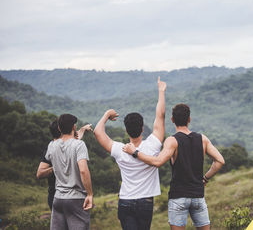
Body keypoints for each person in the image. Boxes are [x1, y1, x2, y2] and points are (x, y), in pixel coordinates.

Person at [123, 103, 225, 230]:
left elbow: (157, 162)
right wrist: (205, 178)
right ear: (189, 119)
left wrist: (135, 153)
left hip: (178, 197)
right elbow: (220, 161)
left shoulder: (172, 141)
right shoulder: (202, 139)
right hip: (198, 196)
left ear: (172, 120)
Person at [93, 77, 167, 230]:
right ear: (142, 129)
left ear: (126, 130)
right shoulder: (153, 145)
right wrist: (161, 91)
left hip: (125, 200)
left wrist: (107, 114)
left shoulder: (120, 150)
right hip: (145, 201)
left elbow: (98, 132)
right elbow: (161, 115)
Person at [45, 114, 93, 230]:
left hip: (58, 199)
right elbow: (83, 170)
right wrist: (90, 194)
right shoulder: (79, 145)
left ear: (59, 129)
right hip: (76, 199)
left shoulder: (52, 146)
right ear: (74, 127)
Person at [36, 120, 92, 210]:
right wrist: (57, 166)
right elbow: (40, 173)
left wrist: (83, 129)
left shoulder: (63, 144)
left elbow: (76, 138)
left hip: (60, 197)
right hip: (60, 195)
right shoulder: (52, 149)